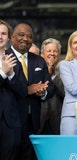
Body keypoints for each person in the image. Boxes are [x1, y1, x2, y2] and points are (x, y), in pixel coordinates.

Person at [6, 23, 54, 160]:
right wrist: (28, 90)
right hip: (8, 121)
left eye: (29, 36)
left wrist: (42, 92)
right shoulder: (4, 57)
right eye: (21, 35)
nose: (25, 39)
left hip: (31, 121)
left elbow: (50, 87)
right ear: (12, 37)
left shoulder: (39, 60)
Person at [0, 19, 27, 160]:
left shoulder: (14, 60)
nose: (0, 37)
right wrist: (3, 73)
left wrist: (11, 74)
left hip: (10, 123)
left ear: (9, 37)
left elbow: (23, 91)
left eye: (3, 33)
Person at [38, 38, 64, 134]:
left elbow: (65, 93)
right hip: (39, 119)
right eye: (49, 51)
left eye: (55, 51)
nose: (52, 53)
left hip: (57, 120)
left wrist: (52, 75)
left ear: (59, 55)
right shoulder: (35, 70)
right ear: (42, 54)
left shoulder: (64, 71)